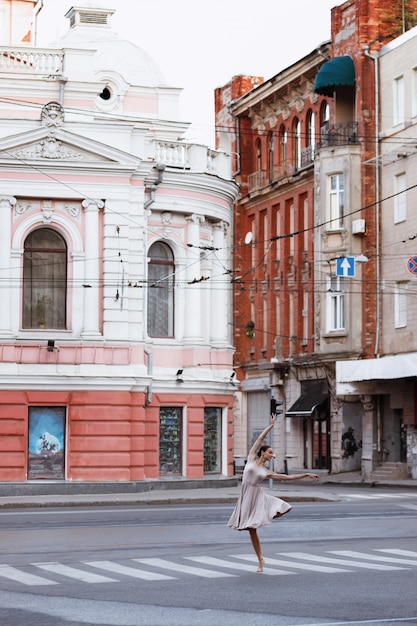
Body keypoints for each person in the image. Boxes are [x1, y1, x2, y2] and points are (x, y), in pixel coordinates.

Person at [227, 414, 319, 572]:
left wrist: (306, 474)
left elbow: (287, 477)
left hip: (257, 497)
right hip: (246, 496)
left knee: (271, 516)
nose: (272, 455)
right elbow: (260, 438)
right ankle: (260, 559)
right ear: (263, 452)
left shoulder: (266, 471)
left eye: (272, 453)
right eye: (270, 452)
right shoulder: (250, 458)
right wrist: (271, 426)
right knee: (250, 530)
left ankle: (260, 558)